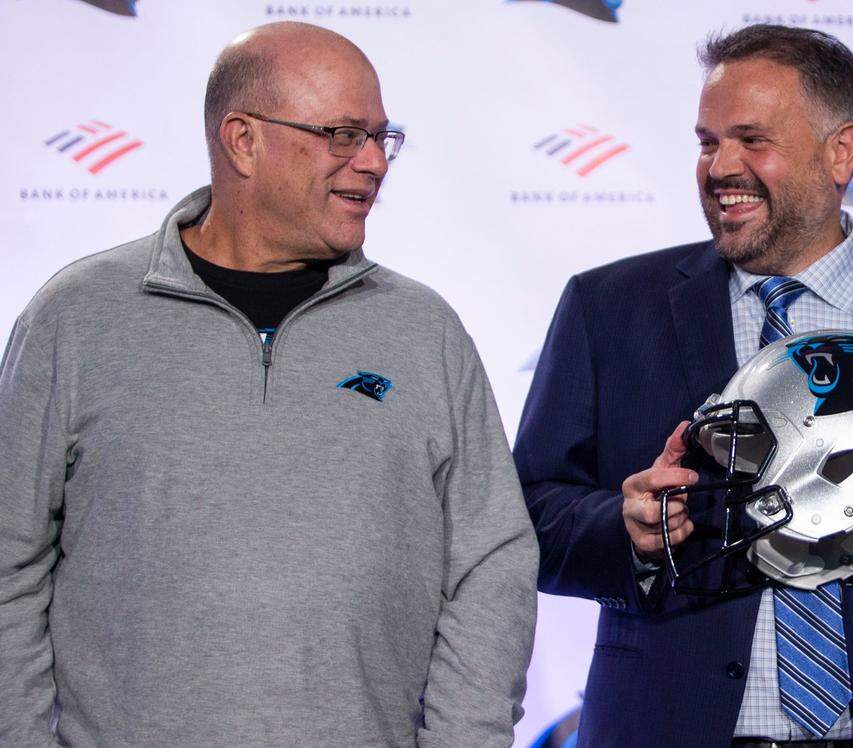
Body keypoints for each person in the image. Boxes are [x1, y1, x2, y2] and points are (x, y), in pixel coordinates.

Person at [515, 24, 853, 748]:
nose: (721, 167)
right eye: (708, 142)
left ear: (841, 152)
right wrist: (625, 532)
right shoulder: (610, 309)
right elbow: (530, 514)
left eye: (753, 140)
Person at [0, 22, 537, 746]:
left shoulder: (424, 330)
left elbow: (492, 564)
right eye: (343, 135)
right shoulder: (76, 317)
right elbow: (9, 561)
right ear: (243, 141)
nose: (374, 162)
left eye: (383, 137)